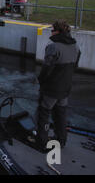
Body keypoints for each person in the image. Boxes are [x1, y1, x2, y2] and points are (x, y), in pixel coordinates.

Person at [35, 20, 81, 151]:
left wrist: (41, 81)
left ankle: (42, 143)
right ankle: (61, 140)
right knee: (61, 115)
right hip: (65, 88)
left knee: (43, 114)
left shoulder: (53, 46)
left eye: (52, 30)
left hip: (51, 89)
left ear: (58, 31)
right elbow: (75, 66)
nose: (51, 32)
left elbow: (46, 69)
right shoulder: (76, 46)